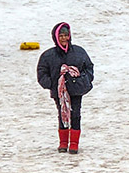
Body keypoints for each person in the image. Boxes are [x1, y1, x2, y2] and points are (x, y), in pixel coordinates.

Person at [36, 22, 94, 154]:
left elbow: (89, 67)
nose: (63, 38)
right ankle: (63, 142)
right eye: (61, 35)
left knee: (75, 115)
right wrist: (53, 84)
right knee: (62, 115)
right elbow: (42, 73)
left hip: (76, 90)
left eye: (66, 35)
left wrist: (83, 80)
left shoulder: (79, 52)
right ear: (56, 37)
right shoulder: (48, 55)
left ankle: (74, 143)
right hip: (59, 92)